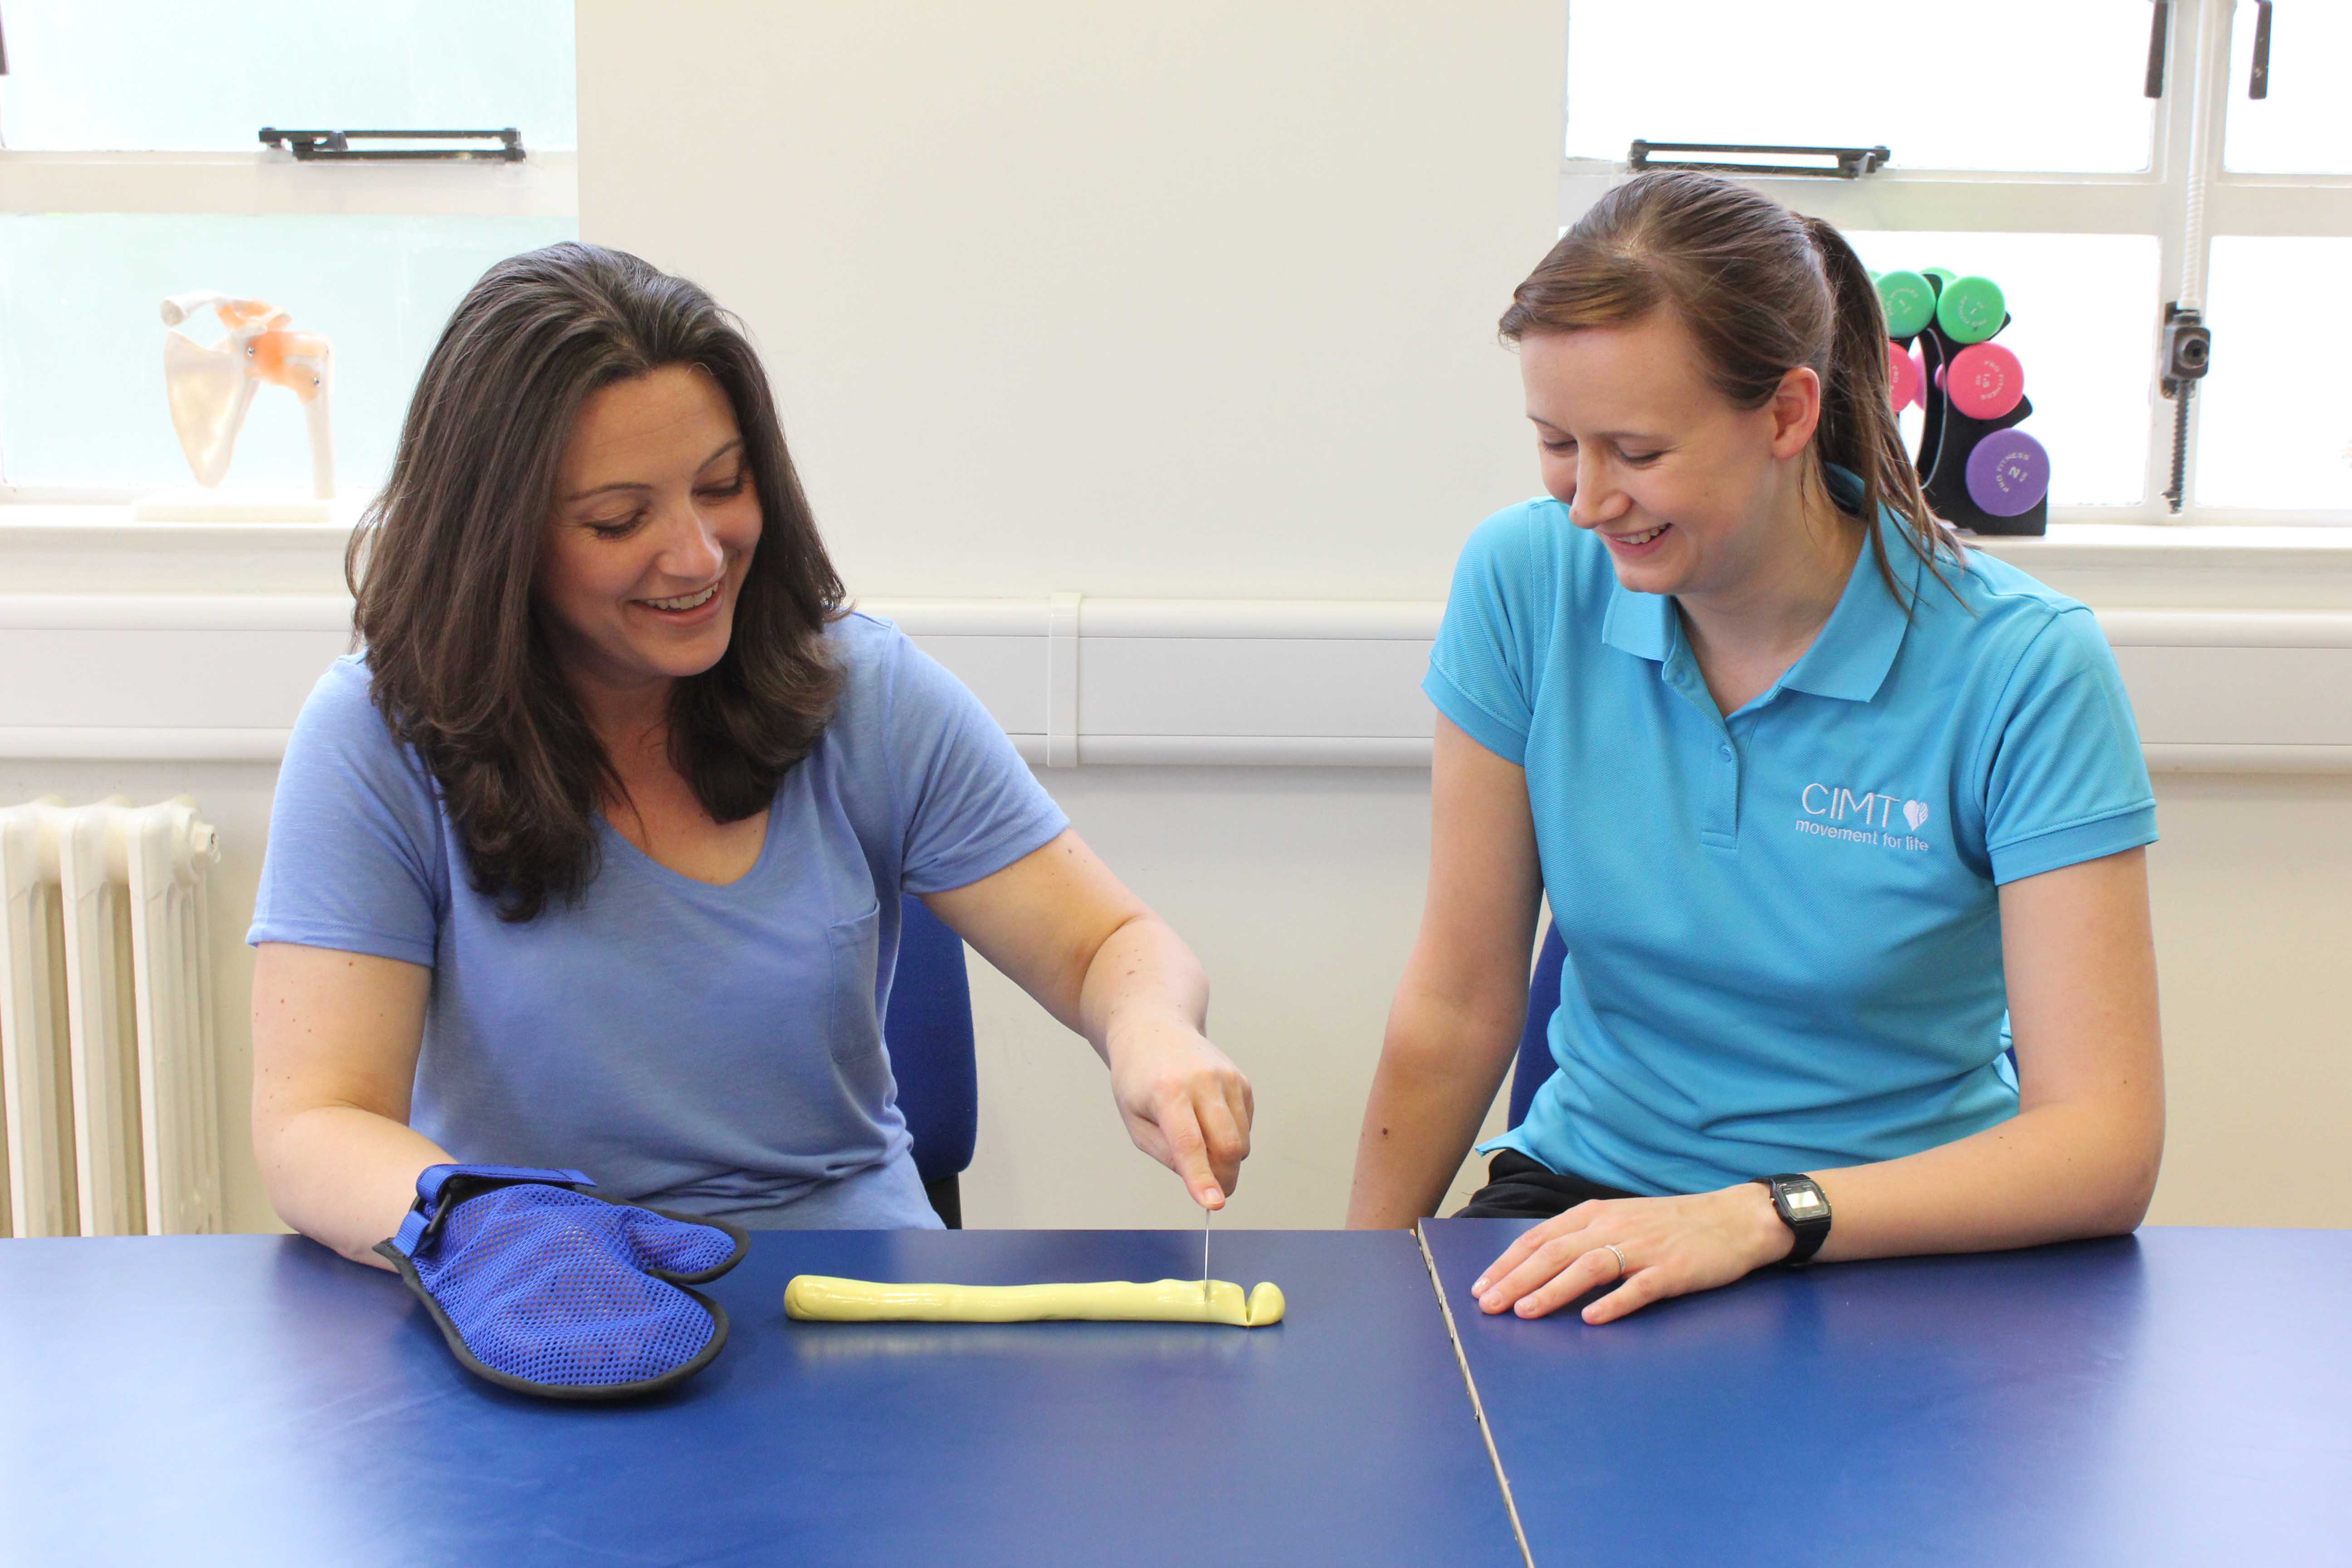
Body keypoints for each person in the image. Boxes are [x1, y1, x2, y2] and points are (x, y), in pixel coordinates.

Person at [250, 242, 1252, 1264]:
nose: (697, 555)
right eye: (618, 520)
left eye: (722, 486)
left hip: (853, 1294)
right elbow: (317, 1122)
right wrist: (505, 1237)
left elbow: (1104, 945)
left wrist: (1152, 1030)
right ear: (497, 540)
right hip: (544, 1296)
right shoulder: (377, 736)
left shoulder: (867, 695)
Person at [1346, 172, 2163, 1323]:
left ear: (1786, 415)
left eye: (1637, 451)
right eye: (1558, 444)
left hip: (1908, 1234)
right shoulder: (1526, 581)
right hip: (1586, 1207)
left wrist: (1760, 1216)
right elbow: (1458, 1004)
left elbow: (2103, 1143)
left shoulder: (2024, 667)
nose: (1588, 502)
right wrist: (1357, 1291)